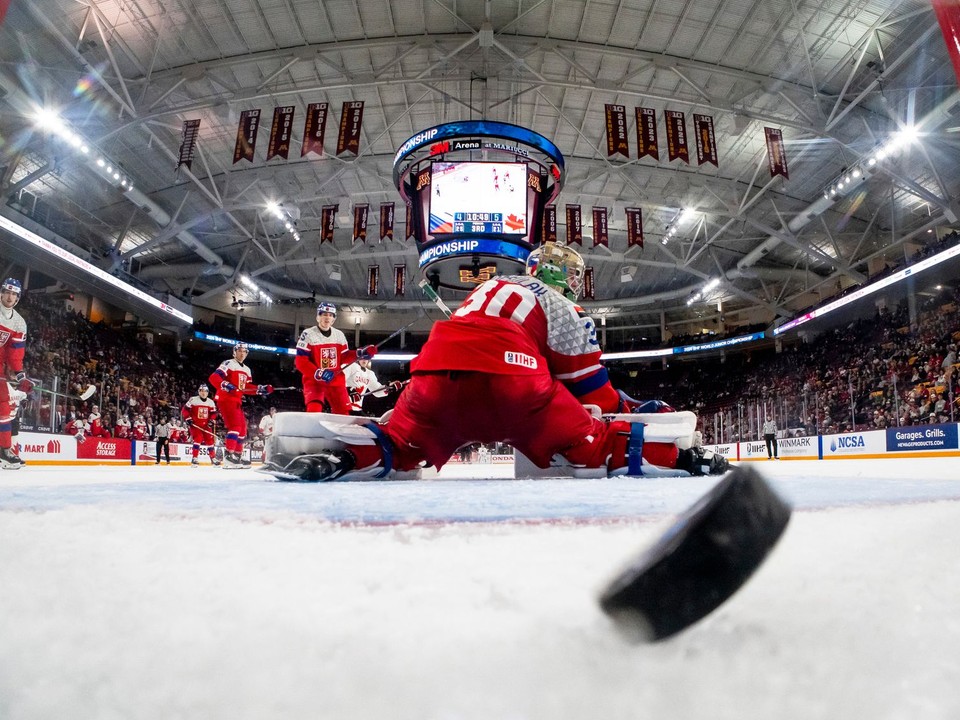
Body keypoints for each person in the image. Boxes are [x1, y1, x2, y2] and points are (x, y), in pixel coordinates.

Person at [264, 242, 728, 482]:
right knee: (597, 442)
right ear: (562, 277)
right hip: (513, 380)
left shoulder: (487, 288)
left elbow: (467, 342)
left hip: (433, 373)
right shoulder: (565, 308)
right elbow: (594, 395)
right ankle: (688, 459)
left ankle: (338, 458)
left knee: (401, 443)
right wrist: (633, 406)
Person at [294, 302, 377, 414]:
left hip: (335, 379)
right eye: (324, 314)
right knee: (314, 410)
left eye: (330, 315)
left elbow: (344, 357)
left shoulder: (339, 335)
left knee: (344, 413)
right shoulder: (308, 334)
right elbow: (300, 362)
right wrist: (319, 373)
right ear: (318, 317)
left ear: (334, 319)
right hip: (315, 381)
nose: (327, 317)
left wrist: (360, 353)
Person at [209, 341, 273, 468]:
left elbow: (246, 388)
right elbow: (214, 378)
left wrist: (261, 389)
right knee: (236, 426)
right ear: (234, 352)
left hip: (236, 400)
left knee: (243, 428)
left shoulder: (247, 370)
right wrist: (226, 385)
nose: (242, 353)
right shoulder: (228, 363)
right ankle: (228, 456)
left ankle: (236, 456)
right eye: (240, 351)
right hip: (226, 398)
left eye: (244, 351)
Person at [0, 278, 32, 469]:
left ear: (17, 298)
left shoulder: (19, 323)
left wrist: (21, 376)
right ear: (1, 293)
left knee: (5, 406)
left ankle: (4, 450)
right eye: (7, 292)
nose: (10, 296)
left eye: (14, 294)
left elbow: (15, 355)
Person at [181, 383, 220, 466]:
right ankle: (194, 458)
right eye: (201, 391)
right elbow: (184, 410)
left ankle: (213, 458)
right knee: (197, 439)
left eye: (205, 391)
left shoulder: (211, 402)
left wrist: (211, 420)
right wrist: (188, 418)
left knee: (210, 441)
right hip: (195, 425)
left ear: (207, 392)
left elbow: (213, 413)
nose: (203, 393)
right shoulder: (193, 400)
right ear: (198, 392)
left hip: (206, 425)